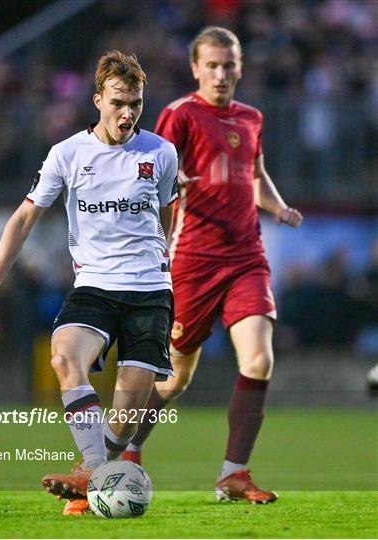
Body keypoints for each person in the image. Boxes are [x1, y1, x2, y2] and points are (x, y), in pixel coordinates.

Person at [0, 50, 178, 515]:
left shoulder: (161, 152)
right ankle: (91, 469)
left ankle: (92, 477)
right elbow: (25, 217)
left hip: (148, 290)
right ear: (97, 99)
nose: (128, 113)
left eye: (137, 104)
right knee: (63, 355)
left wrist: (162, 257)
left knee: (126, 417)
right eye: (119, 102)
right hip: (94, 287)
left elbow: (168, 209)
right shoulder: (67, 154)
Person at [122, 27, 303, 504]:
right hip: (193, 261)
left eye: (229, 65)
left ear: (240, 68)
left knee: (260, 358)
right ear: (196, 68)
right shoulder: (180, 115)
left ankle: (233, 474)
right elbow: (151, 168)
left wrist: (279, 208)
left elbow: (256, 175)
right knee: (175, 378)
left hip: (246, 257)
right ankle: (126, 452)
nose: (221, 74)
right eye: (213, 65)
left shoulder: (251, 118)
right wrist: (171, 177)